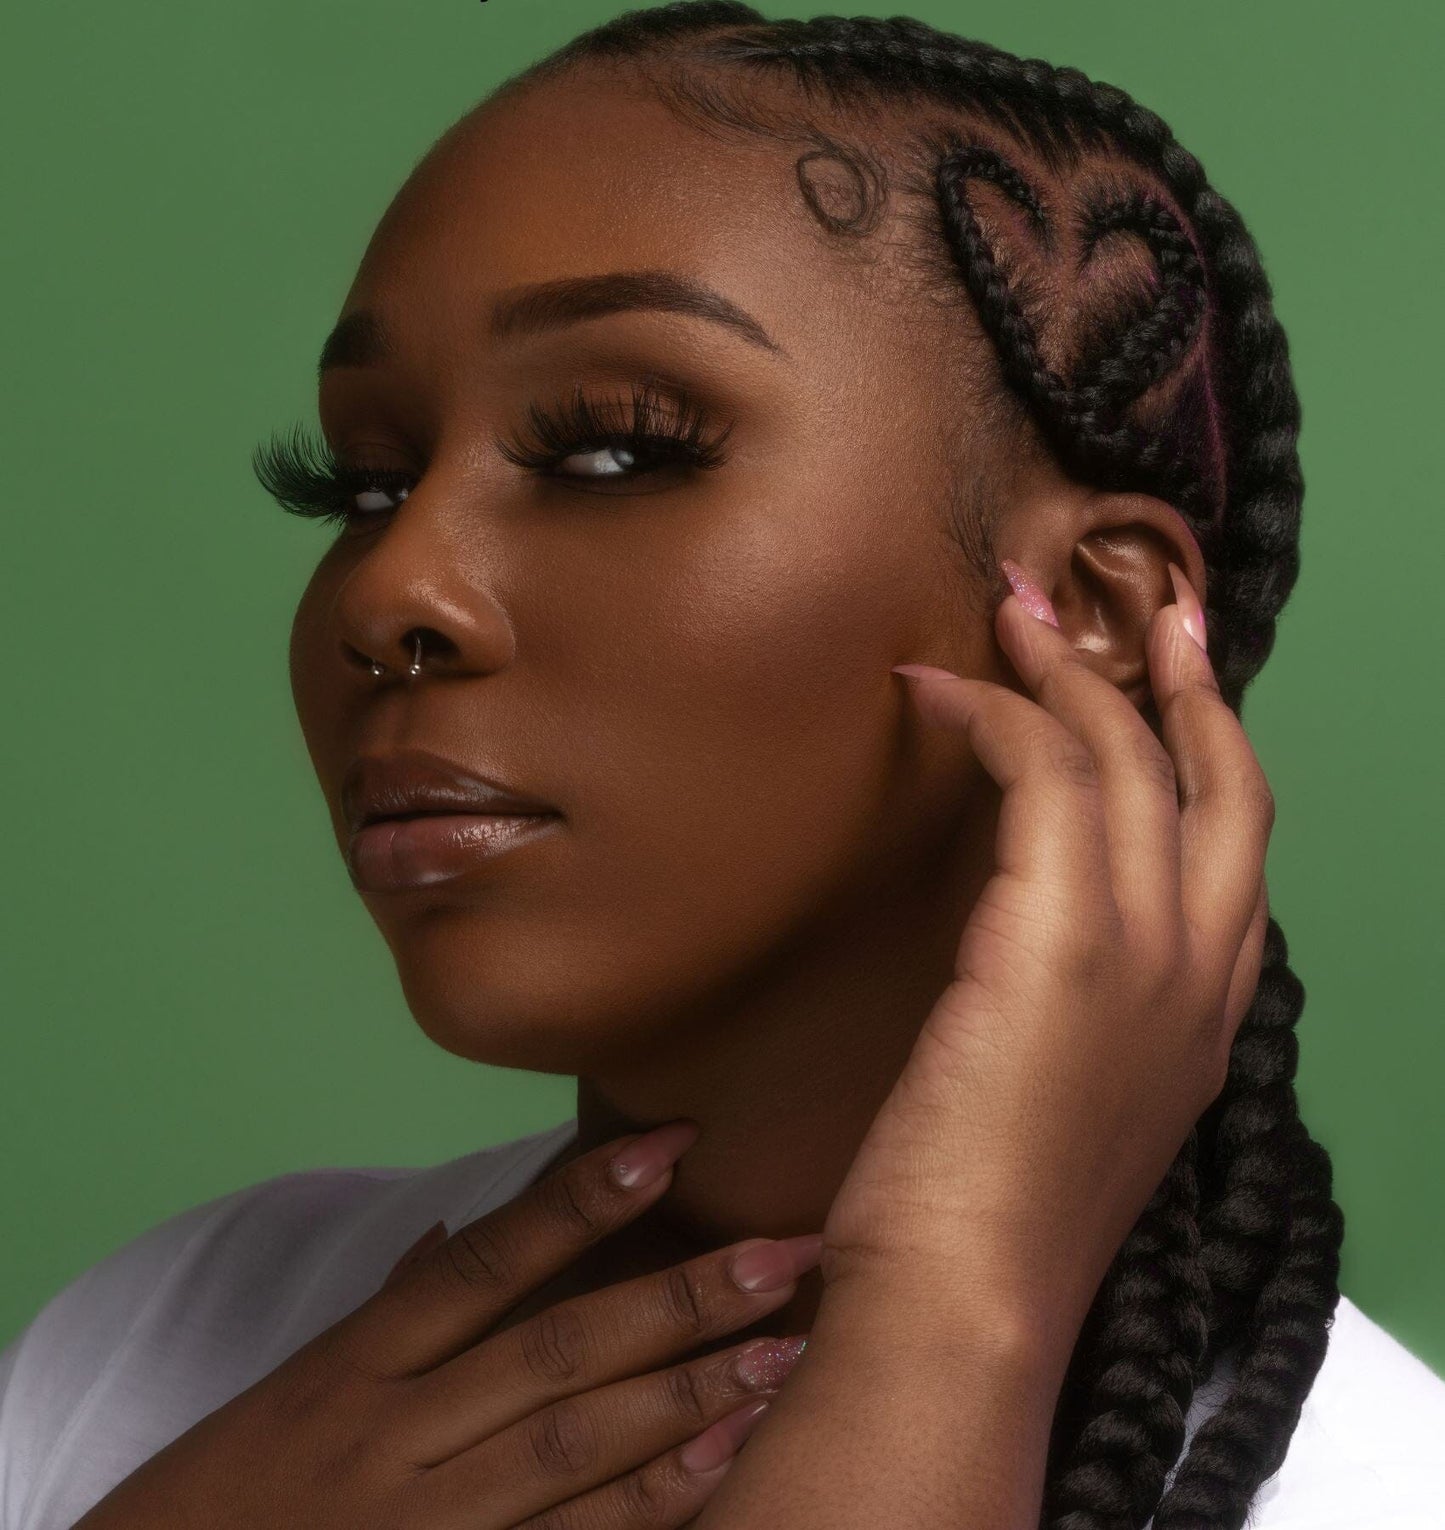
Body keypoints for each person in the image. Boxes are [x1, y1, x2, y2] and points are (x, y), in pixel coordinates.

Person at [3, 3, 1443, 1527]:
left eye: (616, 448)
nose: (384, 591)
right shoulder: (163, 1353)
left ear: (1092, 614)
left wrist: (951, 1325)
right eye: (360, 483)